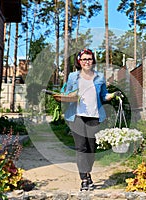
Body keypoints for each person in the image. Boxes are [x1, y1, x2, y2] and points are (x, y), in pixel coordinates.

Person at [63, 48, 121, 191]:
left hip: (94, 116)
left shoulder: (99, 77)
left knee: (91, 148)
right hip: (76, 116)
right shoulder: (72, 77)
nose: (87, 62)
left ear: (93, 61)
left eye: (89, 59)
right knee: (81, 148)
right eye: (84, 59)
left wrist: (113, 95)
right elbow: (65, 93)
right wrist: (70, 96)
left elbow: (103, 96)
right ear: (79, 61)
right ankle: (84, 179)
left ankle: (88, 174)